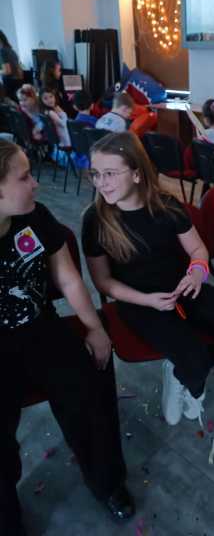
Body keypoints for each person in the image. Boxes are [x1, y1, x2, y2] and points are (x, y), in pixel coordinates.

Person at [0, 140, 135, 536]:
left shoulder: (35, 216)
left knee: (90, 386)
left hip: (39, 327)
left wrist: (95, 328)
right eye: (24, 177)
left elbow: (68, 278)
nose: (35, 183)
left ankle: (107, 482)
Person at [81, 132, 214, 427]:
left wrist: (197, 272)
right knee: (194, 357)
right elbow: (104, 282)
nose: (101, 182)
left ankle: (180, 374)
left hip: (183, 286)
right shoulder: (96, 220)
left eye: (110, 173)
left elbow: (198, 250)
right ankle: (191, 379)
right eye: (96, 174)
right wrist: (146, 300)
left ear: (137, 174)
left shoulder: (166, 206)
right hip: (138, 300)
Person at [0, 31, 23, 101]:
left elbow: (7, 71)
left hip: (10, 83)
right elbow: (19, 69)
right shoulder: (11, 50)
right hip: (18, 81)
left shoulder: (2, 51)